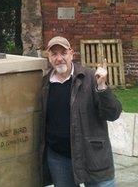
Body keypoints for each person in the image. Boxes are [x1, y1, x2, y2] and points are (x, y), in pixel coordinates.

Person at [40, 36, 122, 187]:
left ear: (71, 53)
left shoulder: (90, 77)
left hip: (93, 155)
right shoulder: (45, 83)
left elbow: (113, 114)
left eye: (63, 53)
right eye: (54, 54)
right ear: (48, 56)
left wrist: (102, 87)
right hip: (59, 157)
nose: (59, 58)